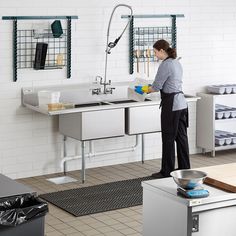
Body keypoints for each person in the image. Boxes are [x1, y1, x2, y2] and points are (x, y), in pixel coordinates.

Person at [137, 39, 190, 178]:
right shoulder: (176, 62)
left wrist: (142, 89)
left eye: (155, 52)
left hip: (171, 105)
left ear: (162, 50)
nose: (155, 55)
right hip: (182, 104)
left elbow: (156, 87)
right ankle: (185, 169)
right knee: (181, 138)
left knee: (168, 138)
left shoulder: (165, 65)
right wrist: (150, 86)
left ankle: (166, 171)